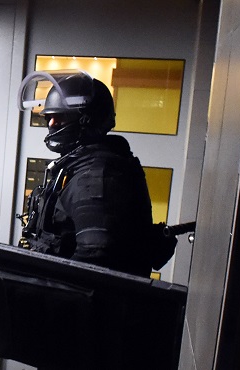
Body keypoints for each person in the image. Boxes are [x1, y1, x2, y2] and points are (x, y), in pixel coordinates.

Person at [17, 70, 175, 277]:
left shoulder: (97, 176)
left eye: (60, 117)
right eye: (49, 117)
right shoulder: (77, 168)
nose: (51, 124)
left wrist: (46, 293)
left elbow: (95, 258)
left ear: (86, 119)